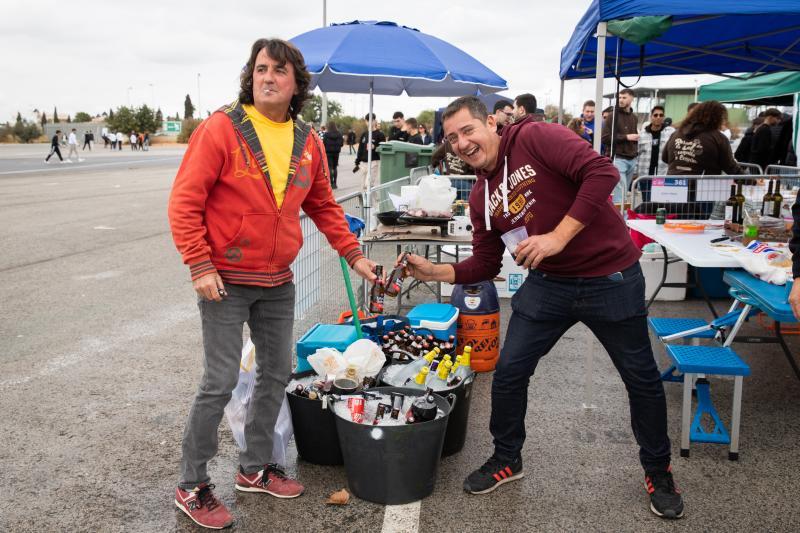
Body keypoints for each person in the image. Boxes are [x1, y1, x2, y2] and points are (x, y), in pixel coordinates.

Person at [399, 96, 683, 519]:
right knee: (509, 372)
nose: (461, 143)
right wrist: (434, 272)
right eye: (452, 138)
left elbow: (602, 173)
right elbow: (484, 263)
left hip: (612, 276)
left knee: (640, 379)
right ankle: (507, 457)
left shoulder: (533, 137)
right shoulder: (481, 196)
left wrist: (557, 237)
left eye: (468, 130)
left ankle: (658, 471)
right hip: (550, 285)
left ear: (491, 123)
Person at [168, 38, 378, 530]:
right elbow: (184, 203)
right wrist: (200, 265)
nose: (268, 77)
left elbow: (323, 206)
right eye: (261, 68)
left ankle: (254, 467)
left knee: (276, 374)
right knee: (219, 381)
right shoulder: (221, 128)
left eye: (279, 71)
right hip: (225, 279)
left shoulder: (306, 139)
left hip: (277, 281)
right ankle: (191, 483)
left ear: (296, 83)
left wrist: (355, 256)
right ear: (251, 75)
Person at [662, 100, 744, 176]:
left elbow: (665, 158)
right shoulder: (718, 138)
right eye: (722, 118)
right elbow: (730, 167)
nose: (723, 121)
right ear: (716, 118)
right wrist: (752, 181)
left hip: (673, 186)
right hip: (703, 187)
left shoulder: (677, 133)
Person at [602, 88, 638, 202]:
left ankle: (622, 217)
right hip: (618, 158)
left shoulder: (634, 117)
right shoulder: (612, 116)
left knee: (624, 193)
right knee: (620, 194)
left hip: (631, 158)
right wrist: (626, 137)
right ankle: (622, 218)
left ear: (632, 98)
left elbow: (632, 137)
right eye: (619, 97)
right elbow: (605, 138)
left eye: (624, 97)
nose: (621, 100)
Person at [635, 106, 674, 202]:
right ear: (651, 117)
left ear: (664, 117)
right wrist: (635, 172)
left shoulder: (670, 132)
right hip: (645, 174)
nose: (658, 117)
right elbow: (637, 153)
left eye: (661, 115)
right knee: (647, 202)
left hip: (663, 174)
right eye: (655, 115)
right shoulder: (642, 134)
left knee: (660, 202)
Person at [353, 113, 386, 189]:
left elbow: (383, 148)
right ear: (366, 121)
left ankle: (376, 200)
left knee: (368, 185)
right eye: (367, 120)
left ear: (375, 121)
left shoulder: (380, 134)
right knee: (363, 186)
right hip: (364, 162)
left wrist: (375, 147)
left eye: (371, 120)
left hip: (374, 161)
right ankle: (370, 200)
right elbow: (360, 148)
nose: (369, 122)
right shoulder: (364, 134)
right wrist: (357, 162)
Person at [322, 121, 344, 189]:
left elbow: (323, 143)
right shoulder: (339, 134)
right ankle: (335, 183)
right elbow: (341, 144)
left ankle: (331, 183)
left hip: (328, 153)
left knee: (330, 167)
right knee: (335, 167)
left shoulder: (326, 134)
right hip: (336, 153)